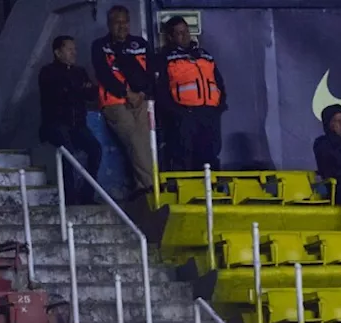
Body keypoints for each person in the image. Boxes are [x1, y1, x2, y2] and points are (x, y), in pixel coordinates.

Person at [92, 4, 154, 196]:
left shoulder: (140, 44)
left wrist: (142, 95)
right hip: (114, 101)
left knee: (144, 142)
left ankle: (142, 187)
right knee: (135, 140)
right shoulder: (100, 45)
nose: (122, 26)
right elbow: (103, 74)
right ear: (109, 24)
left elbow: (151, 73)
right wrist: (127, 94)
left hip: (140, 101)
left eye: (125, 22)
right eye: (117, 22)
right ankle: (152, 185)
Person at [38, 36, 102, 205]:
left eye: (75, 49)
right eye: (69, 49)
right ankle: (69, 197)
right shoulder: (48, 72)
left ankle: (87, 195)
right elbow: (58, 94)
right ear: (58, 52)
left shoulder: (79, 72)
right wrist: (77, 89)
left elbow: (91, 93)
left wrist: (77, 89)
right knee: (67, 151)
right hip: (56, 124)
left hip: (78, 125)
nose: (74, 53)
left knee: (95, 150)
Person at [159, 15, 225, 171]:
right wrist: (175, 112)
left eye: (186, 31)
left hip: (209, 113)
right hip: (184, 115)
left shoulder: (204, 54)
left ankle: (212, 191)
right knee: (185, 156)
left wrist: (219, 107)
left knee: (211, 154)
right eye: (180, 33)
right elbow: (161, 88)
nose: (185, 36)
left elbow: (219, 81)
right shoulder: (165, 57)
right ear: (170, 37)